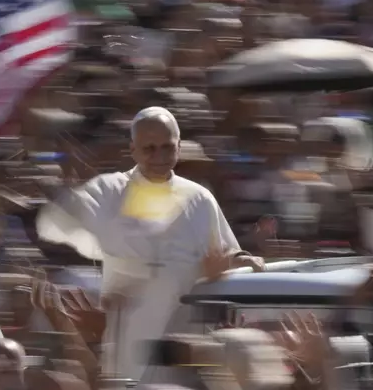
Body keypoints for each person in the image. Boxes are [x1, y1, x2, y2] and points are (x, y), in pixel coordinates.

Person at [35, 106, 265, 384]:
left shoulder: (200, 199)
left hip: (183, 344)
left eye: (167, 148)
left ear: (178, 147)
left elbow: (226, 257)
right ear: (133, 150)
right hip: (129, 343)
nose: (159, 157)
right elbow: (53, 223)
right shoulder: (110, 190)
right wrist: (80, 203)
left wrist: (239, 262)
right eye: (149, 149)